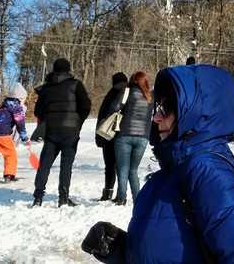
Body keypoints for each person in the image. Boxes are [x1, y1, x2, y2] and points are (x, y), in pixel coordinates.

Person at [81, 64, 234, 263]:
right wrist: (117, 248)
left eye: (166, 108)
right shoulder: (174, 169)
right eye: (157, 107)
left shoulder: (207, 172)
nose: (156, 117)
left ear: (196, 113)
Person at [32, 58, 92, 207]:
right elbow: (86, 105)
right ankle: (63, 198)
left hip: (52, 131)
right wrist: (78, 122)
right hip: (71, 131)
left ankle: (38, 197)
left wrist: (48, 117)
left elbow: (38, 111)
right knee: (66, 165)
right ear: (68, 69)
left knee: (44, 164)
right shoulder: (76, 84)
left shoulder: (46, 88)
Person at [113, 72, 153, 206]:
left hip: (125, 134)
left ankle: (121, 198)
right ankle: (138, 199)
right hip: (142, 137)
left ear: (132, 80)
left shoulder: (127, 92)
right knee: (133, 170)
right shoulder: (150, 97)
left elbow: (114, 107)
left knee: (123, 169)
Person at [95, 72, 129, 202]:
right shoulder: (128, 92)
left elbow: (102, 115)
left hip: (107, 134)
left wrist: (98, 136)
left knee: (109, 166)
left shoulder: (110, 93)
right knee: (122, 166)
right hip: (122, 132)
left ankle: (107, 193)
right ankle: (121, 194)